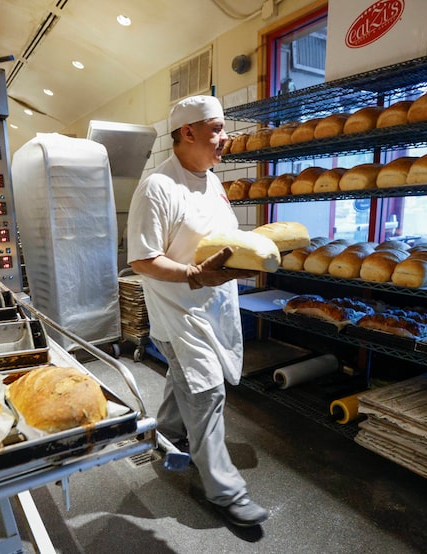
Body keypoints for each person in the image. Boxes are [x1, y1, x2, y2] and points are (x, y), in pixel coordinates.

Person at [126, 94, 269, 527]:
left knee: (184, 378)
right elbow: (142, 259)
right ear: (187, 132)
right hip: (180, 311)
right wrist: (193, 275)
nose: (225, 138)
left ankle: (167, 437)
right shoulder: (158, 187)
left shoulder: (211, 180)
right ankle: (224, 490)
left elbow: (215, 240)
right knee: (206, 391)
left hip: (214, 305)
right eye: (217, 129)